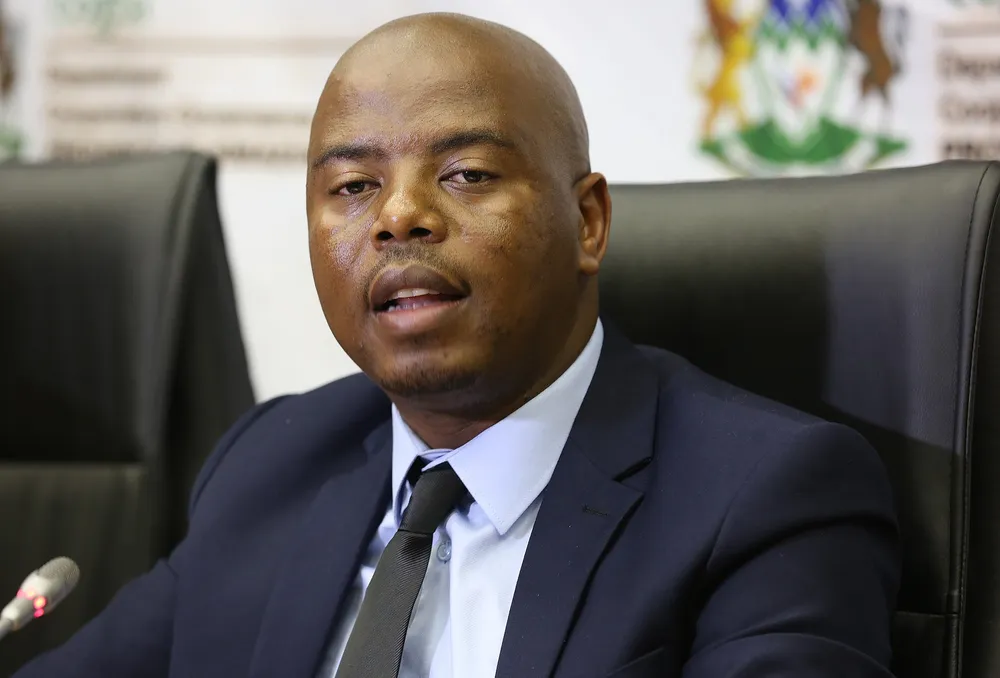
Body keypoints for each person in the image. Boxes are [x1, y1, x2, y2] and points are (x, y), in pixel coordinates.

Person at [14, 12, 899, 678]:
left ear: (588, 222)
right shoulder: (273, 464)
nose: (398, 216)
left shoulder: (767, 500)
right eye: (353, 186)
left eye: (466, 174)